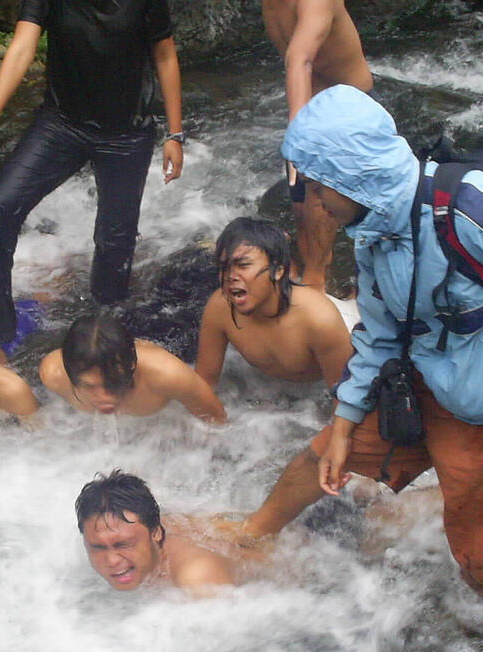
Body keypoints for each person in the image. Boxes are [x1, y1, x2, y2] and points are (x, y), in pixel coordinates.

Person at [229, 85, 483, 602]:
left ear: (355, 175)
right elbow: (379, 336)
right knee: (319, 459)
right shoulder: (373, 232)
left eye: (321, 188)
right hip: (428, 375)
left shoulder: (474, 209)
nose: (315, 203)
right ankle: (248, 538)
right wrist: (343, 424)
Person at [0, 0, 185, 361]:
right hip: (61, 125)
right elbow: (22, 47)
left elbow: (164, 55)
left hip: (126, 135)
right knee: (0, 206)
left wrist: (175, 135)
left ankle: (105, 336)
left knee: (115, 242)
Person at [262, 0, 373, 291]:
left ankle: (316, 281)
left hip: (350, 106)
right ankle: (311, 269)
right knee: (299, 204)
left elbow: (301, 60)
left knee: (318, 198)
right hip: (313, 105)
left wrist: (300, 134)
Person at [195, 216, 353, 389]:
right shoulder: (219, 308)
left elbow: (348, 399)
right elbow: (204, 384)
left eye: (243, 265)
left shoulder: (319, 320)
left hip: (349, 330)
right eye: (223, 267)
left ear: (278, 271)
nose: (230, 276)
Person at [40, 314, 226, 423]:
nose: (105, 397)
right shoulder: (54, 375)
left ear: (131, 366)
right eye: (90, 386)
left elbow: (217, 423)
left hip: (167, 332)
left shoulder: (168, 376)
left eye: (114, 382)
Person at [76, 470, 237, 594]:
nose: (111, 561)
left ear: (156, 533)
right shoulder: (134, 527)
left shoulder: (198, 580)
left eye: (124, 545)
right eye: (98, 547)